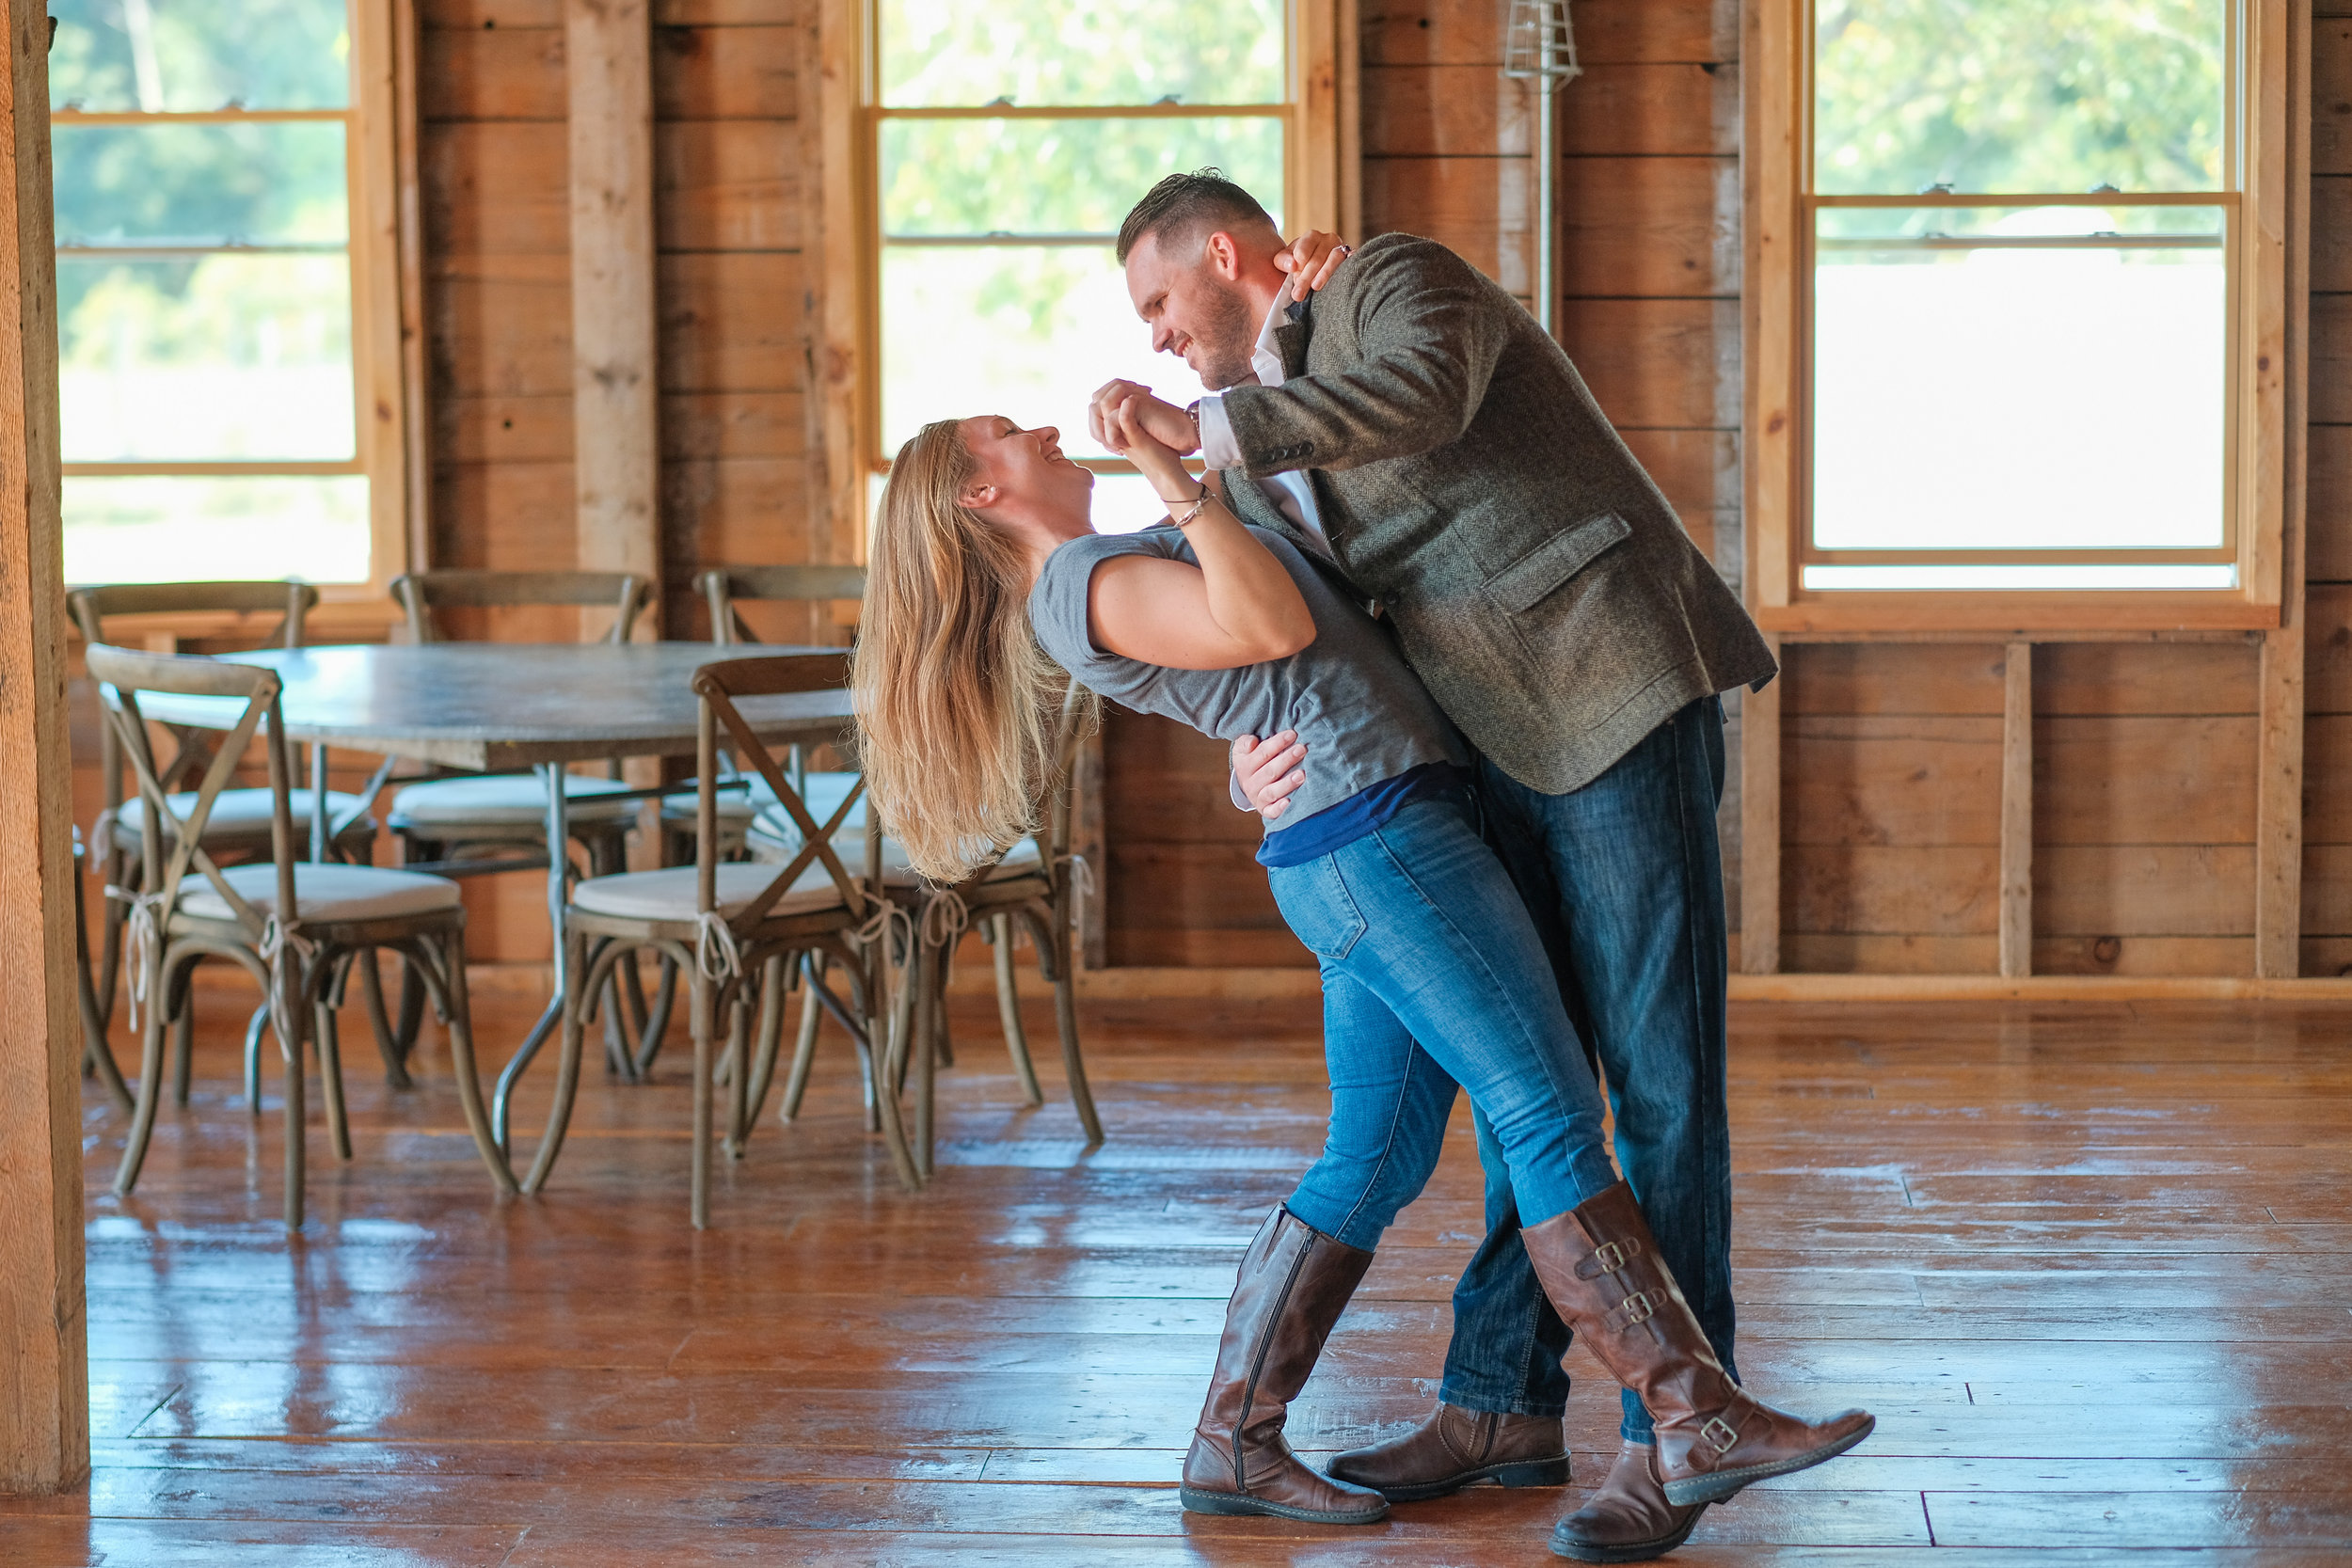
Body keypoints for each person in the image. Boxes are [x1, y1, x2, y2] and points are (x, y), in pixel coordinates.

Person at [850, 404, 1872, 1549]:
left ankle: (1235, 1441)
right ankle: (1693, 1414)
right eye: (1005, 434)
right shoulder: (1082, 577)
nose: (1038, 427)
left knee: (1374, 1152)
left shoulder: (1099, 571)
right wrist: (1171, 476)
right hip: (1379, 844)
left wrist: (1241, 729)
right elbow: (1271, 620)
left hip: (1358, 840)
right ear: (978, 496)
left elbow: (1270, 661)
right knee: (1544, 1108)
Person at [1089, 171, 1775, 1560]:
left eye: (1160, 301)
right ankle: (1500, 1406)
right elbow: (1289, 620)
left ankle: (1673, 1443)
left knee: (1654, 1080)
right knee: (1536, 1078)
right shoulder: (1247, 438)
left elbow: (1420, 400)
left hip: (1610, 684)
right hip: (1479, 741)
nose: (1157, 336)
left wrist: (1199, 427)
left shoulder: (1396, 281)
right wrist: (1245, 748)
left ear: (1226, 255)